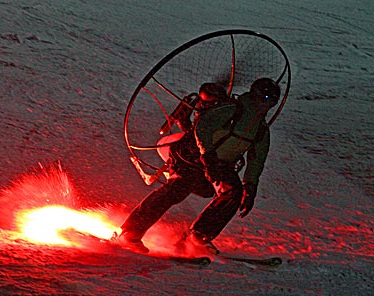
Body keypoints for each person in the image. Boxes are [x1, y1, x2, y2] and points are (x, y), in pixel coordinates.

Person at [118, 78, 281, 254]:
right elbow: (203, 128)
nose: (267, 104)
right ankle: (131, 232)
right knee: (180, 186)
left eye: (272, 100)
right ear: (255, 95)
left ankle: (197, 236)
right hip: (193, 154)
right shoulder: (232, 109)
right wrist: (208, 157)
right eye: (265, 98)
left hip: (221, 163)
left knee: (233, 192)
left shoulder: (261, 128)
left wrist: (250, 187)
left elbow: (256, 159)